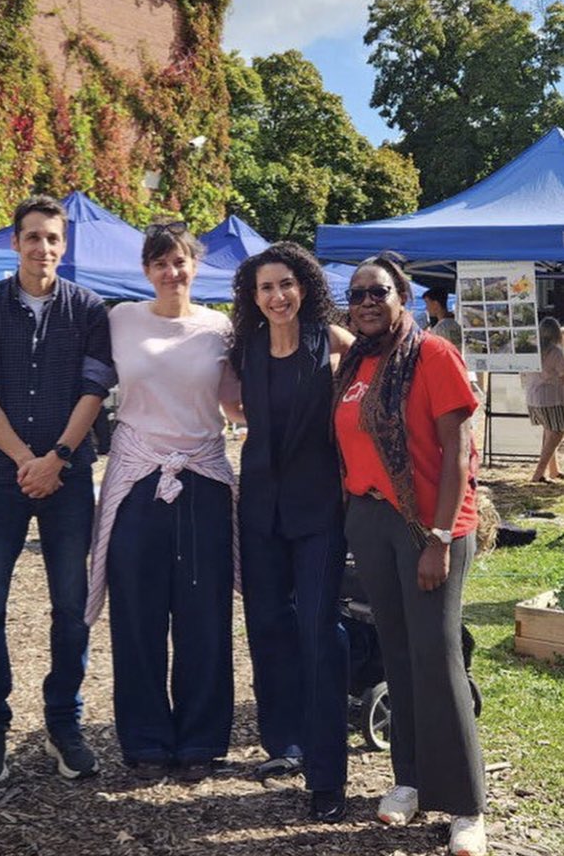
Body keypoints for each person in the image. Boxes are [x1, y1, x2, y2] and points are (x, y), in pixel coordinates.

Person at [333, 254, 487, 856]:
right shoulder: (355, 364)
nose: (367, 302)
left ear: (402, 296)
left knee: (437, 656)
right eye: (357, 294)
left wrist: (440, 537)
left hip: (429, 525)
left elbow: (457, 453)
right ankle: (411, 780)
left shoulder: (432, 355)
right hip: (370, 522)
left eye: (379, 292)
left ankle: (468, 806)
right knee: (397, 654)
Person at [0, 195, 113, 784]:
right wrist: (26, 459)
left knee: (70, 604)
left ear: (63, 245)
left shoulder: (89, 308)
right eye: (32, 237)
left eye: (52, 238)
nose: (42, 248)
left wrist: (58, 458)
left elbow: (93, 389)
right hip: (0, 477)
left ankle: (63, 720)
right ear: (14, 242)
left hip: (69, 476)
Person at [86, 221, 242, 781]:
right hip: (136, 478)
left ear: (195, 265)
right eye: (160, 263)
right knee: (137, 614)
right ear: (146, 270)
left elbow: (236, 402)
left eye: (180, 261)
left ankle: (201, 739)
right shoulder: (120, 319)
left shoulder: (220, 328)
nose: (172, 272)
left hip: (201, 476)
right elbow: (83, 380)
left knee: (204, 614)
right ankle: (146, 739)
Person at [230, 242, 352, 821]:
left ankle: (328, 777)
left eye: (286, 284)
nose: (277, 296)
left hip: (319, 510)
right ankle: (286, 744)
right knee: (268, 626)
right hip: (260, 512)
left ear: (304, 285)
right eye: (265, 288)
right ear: (253, 298)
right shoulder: (247, 350)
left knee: (318, 631)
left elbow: (377, 381)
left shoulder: (329, 340)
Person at [522, 316, 564, 482]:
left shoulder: (532, 350)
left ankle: (553, 470)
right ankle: (539, 473)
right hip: (551, 398)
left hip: (533, 396)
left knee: (549, 431)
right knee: (556, 432)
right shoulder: (555, 352)